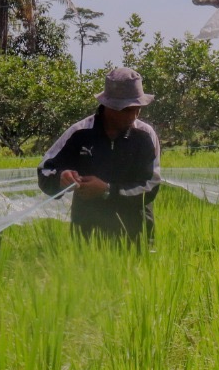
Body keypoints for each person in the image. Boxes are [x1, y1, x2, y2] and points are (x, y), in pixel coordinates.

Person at [37, 68, 161, 243]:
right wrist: (61, 179)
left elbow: (151, 185)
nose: (133, 116)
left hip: (136, 236)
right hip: (88, 236)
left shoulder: (145, 135)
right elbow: (45, 171)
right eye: (126, 110)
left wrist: (108, 190)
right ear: (108, 106)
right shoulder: (80, 132)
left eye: (138, 108)